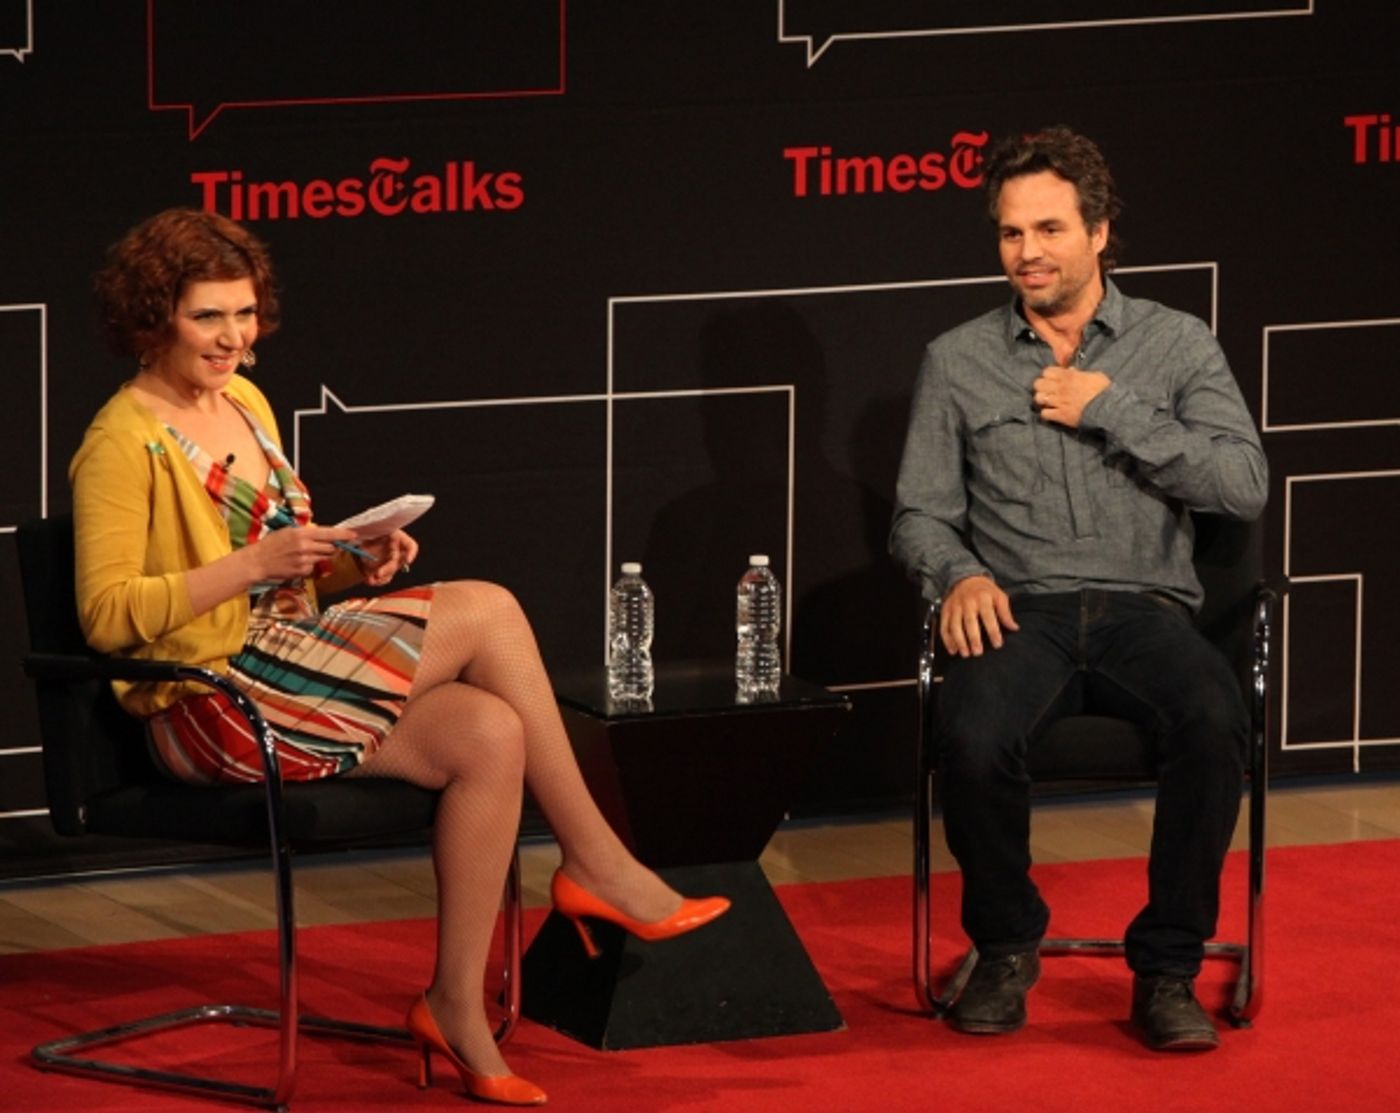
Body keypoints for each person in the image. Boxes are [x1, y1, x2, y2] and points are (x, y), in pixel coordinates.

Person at [72, 208, 730, 1106]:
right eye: (208, 318)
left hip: (289, 671)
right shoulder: (121, 440)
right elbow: (108, 617)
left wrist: (352, 557)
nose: (234, 338)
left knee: (490, 733)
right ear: (154, 318)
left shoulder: (247, 406)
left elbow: (287, 574)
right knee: (490, 609)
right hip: (208, 703)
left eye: (245, 313)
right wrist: (250, 564)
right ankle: (596, 861)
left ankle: (453, 1003)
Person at [890, 127, 1267, 1051]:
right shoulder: (958, 359)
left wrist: (1111, 408)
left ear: (1100, 232)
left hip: (1148, 610)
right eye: (1012, 234)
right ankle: (1008, 945)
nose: (1030, 253)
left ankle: (1169, 968)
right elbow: (918, 514)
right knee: (972, 735)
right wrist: (960, 572)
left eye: (1051, 228)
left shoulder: (1176, 346)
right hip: (1023, 609)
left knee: (1216, 720)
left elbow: (1243, 484)